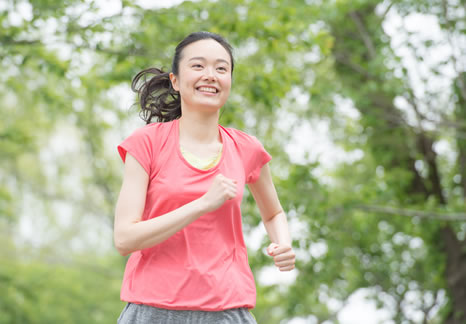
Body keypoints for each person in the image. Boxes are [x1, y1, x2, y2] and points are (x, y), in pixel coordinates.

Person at [114, 31, 295, 324]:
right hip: (152, 311)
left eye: (221, 68)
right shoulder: (147, 143)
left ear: (230, 82)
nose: (210, 75)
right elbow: (124, 238)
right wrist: (201, 204)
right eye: (198, 66)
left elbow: (273, 213)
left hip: (226, 310)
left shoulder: (247, 148)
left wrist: (283, 243)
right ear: (175, 80)